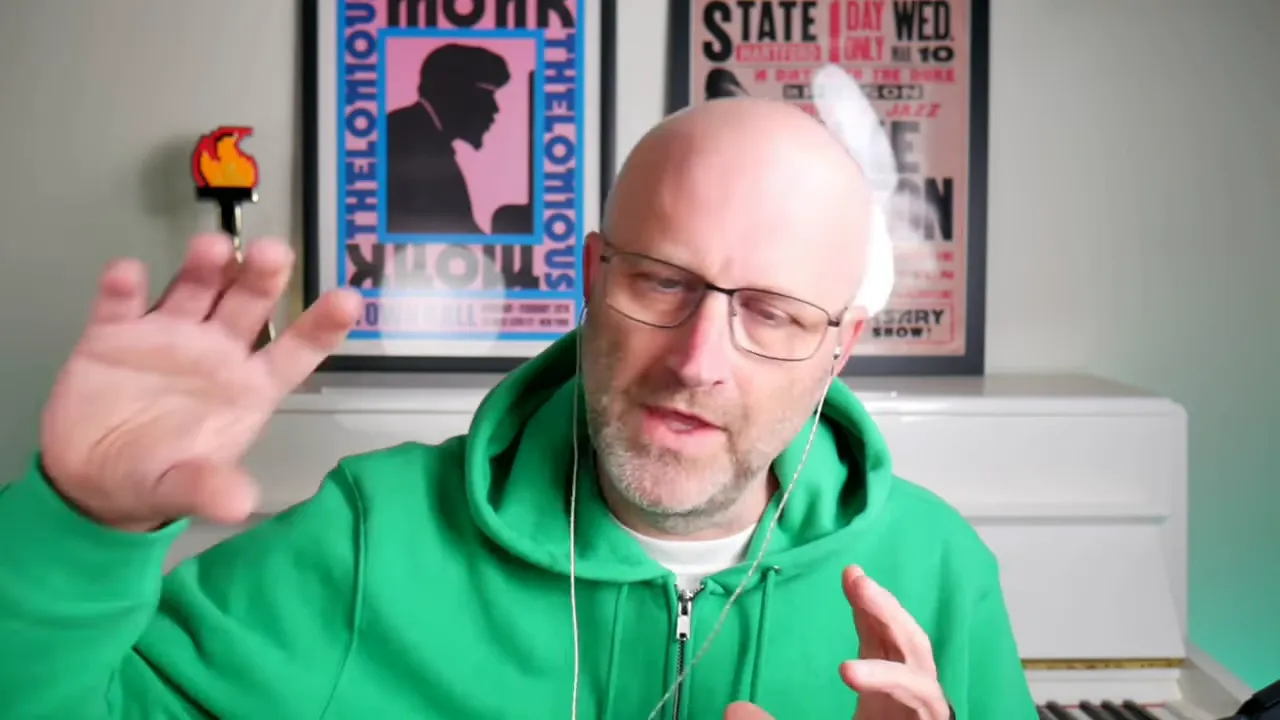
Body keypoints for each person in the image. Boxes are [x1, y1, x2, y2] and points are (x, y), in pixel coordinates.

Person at [0, 97, 1037, 719]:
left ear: (837, 346)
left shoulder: (936, 572)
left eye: (769, 312)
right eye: (661, 281)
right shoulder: (370, 540)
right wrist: (80, 531)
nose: (695, 360)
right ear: (593, 275)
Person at [384, 43, 510, 235]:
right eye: (489, 94)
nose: (495, 109)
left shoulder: (421, 136)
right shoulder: (405, 141)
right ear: (456, 91)